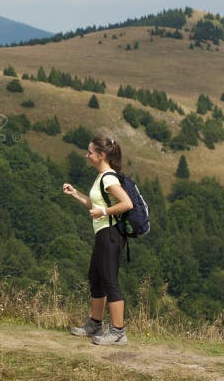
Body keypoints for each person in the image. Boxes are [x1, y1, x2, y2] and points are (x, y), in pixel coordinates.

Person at [62, 136, 133, 345]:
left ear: (101, 155)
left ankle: (118, 331)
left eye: (90, 152)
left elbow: (126, 203)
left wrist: (105, 211)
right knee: (95, 277)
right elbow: (95, 205)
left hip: (110, 234)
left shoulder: (109, 178)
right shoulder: (102, 176)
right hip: (103, 233)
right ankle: (95, 324)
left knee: (110, 280)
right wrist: (75, 193)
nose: (87, 155)